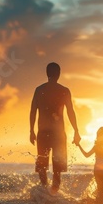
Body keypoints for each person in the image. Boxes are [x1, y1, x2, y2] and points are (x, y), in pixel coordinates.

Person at [29, 62, 81, 192]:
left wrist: (31, 130)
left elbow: (33, 111)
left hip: (43, 132)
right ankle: (54, 195)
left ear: (47, 74)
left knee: (42, 166)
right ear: (59, 74)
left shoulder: (39, 90)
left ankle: (44, 192)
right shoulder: (64, 91)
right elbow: (70, 112)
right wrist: (76, 131)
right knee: (58, 168)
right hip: (58, 133)